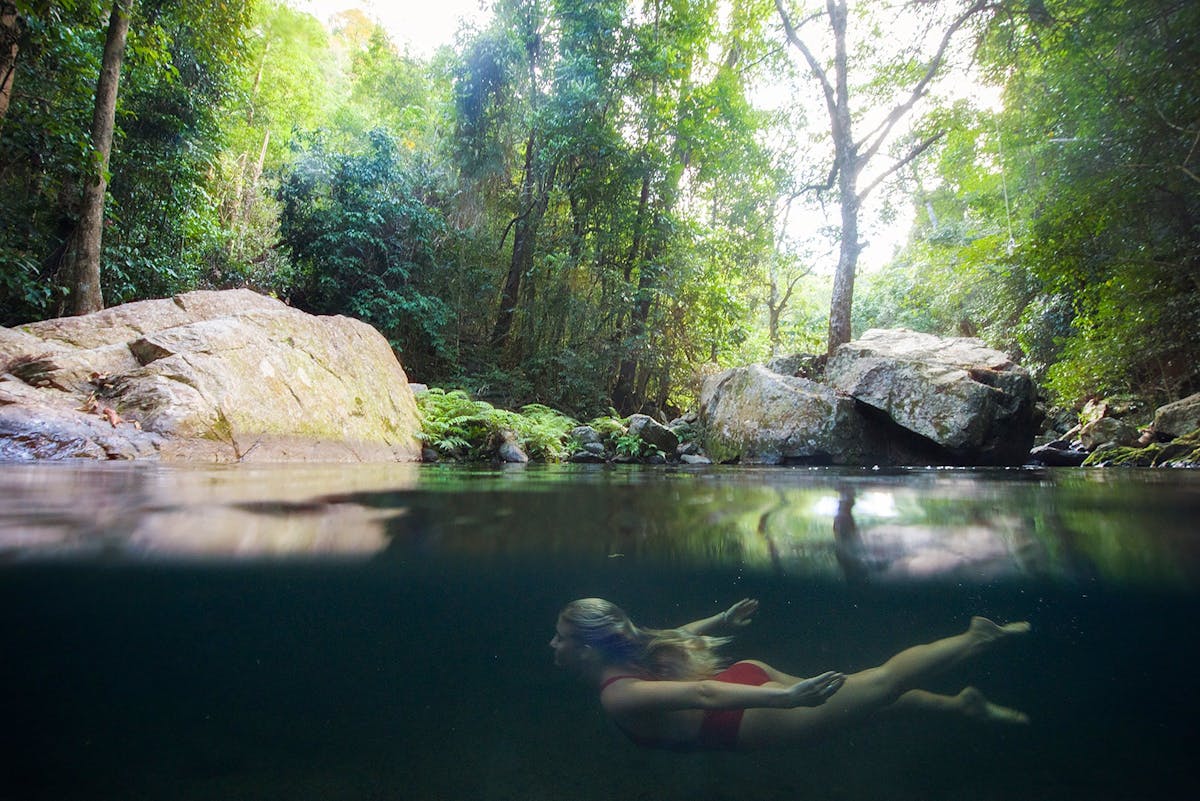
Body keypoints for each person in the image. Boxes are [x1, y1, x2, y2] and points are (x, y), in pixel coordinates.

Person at [550, 597, 1030, 751]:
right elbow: (675, 632)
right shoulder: (629, 649)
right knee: (873, 704)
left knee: (882, 681)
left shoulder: (617, 694)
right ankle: (961, 705)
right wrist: (720, 622)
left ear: (590, 650)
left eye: (561, 638)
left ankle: (976, 639)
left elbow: (702, 692)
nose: (553, 644)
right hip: (747, 678)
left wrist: (787, 699)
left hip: (749, 714)